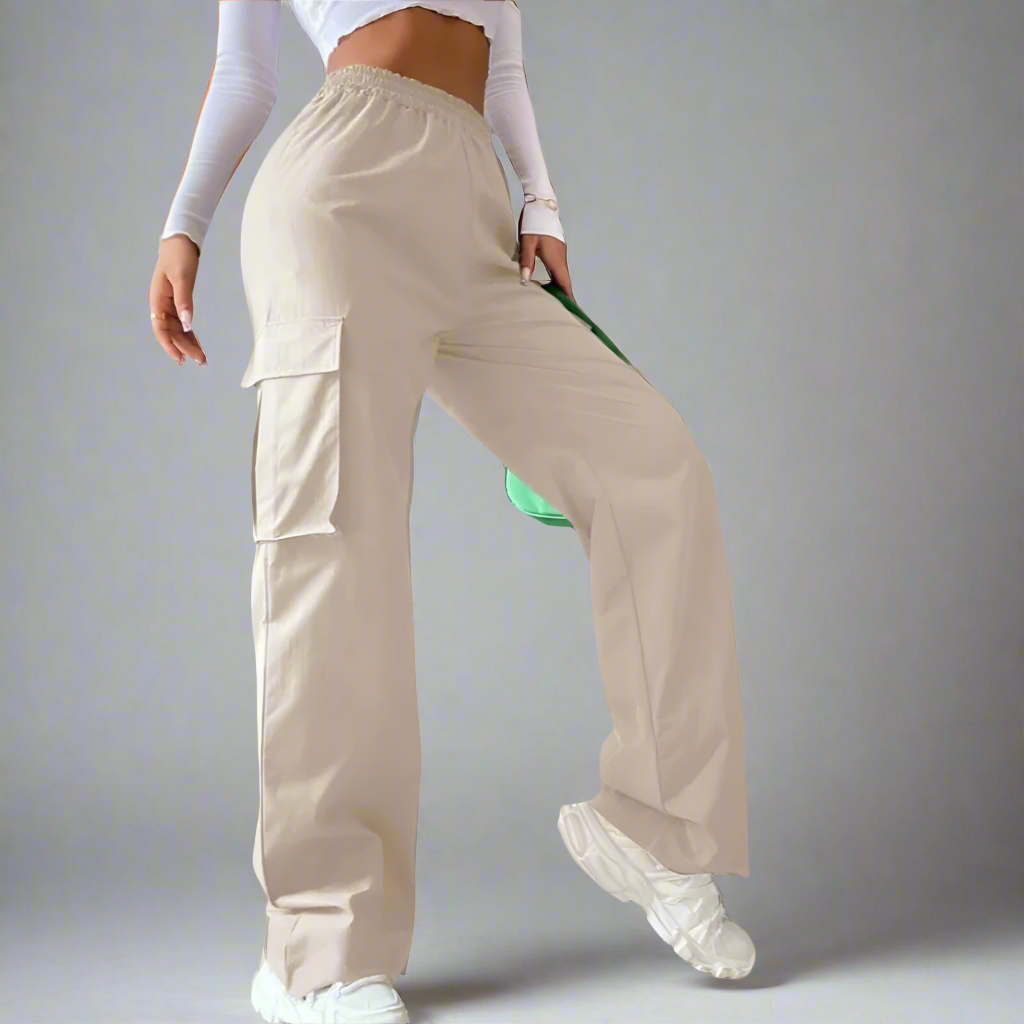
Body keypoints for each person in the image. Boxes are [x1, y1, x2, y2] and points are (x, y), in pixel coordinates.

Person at [148, 2, 755, 1021]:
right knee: (334, 551)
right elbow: (245, 70)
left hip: (471, 205)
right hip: (339, 192)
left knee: (655, 469)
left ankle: (657, 832)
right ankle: (316, 949)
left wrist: (541, 202)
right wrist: (185, 224)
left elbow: (500, 60)